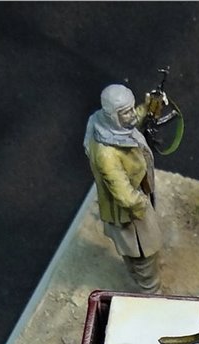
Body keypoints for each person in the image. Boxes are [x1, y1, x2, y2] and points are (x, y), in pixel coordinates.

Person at [83, 84, 162, 293]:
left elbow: (130, 121)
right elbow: (125, 196)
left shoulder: (108, 125)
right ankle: (151, 292)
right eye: (125, 112)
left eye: (131, 109)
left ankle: (143, 279)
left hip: (135, 196)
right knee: (143, 253)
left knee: (136, 254)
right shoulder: (106, 154)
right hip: (128, 212)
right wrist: (143, 204)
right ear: (112, 116)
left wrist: (149, 107)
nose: (131, 114)